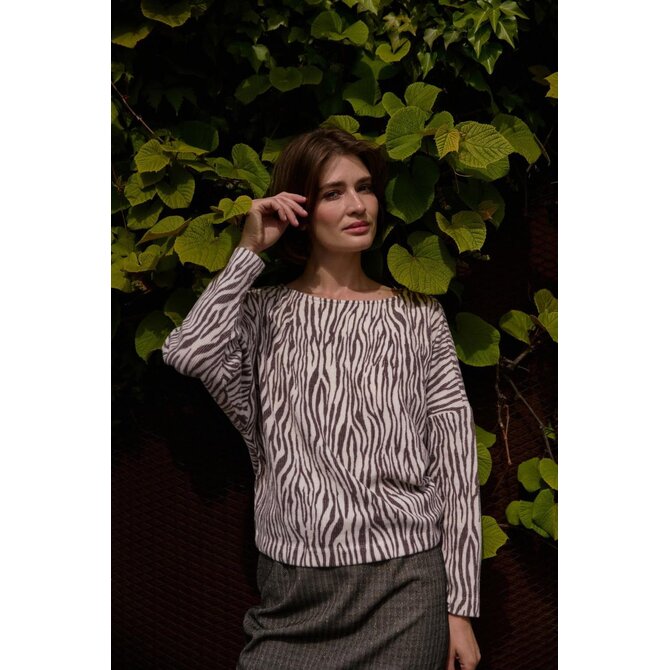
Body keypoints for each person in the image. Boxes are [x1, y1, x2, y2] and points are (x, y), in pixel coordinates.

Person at [162, 127, 482, 670]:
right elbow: (188, 352)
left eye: (365, 187)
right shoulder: (260, 314)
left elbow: (455, 466)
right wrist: (248, 251)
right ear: (301, 210)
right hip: (291, 595)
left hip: (404, 587)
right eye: (334, 193)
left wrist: (460, 609)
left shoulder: (419, 317)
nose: (358, 205)